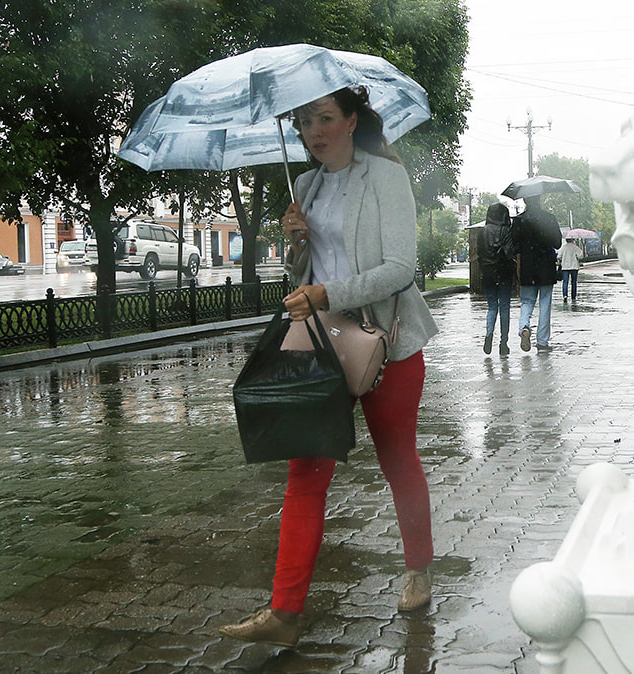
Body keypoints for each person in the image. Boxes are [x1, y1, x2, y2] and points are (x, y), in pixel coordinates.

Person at [220, 86, 439, 647]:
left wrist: (326, 290)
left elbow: (399, 269)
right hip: (324, 343)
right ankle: (283, 612)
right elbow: (302, 275)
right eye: (304, 121)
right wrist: (295, 245)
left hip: (389, 342)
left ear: (350, 120)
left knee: (397, 459)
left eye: (324, 118)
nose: (313, 131)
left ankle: (418, 567)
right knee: (305, 472)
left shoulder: (386, 178)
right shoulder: (305, 185)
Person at [513, 194, 562, 352]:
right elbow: (557, 243)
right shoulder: (549, 218)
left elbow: (514, 246)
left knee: (527, 301)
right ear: (540, 199)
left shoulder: (519, 220)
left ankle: (524, 328)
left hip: (527, 268)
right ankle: (542, 342)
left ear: (524, 201)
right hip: (546, 268)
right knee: (545, 303)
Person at [478, 203, 517, 355]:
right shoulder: (507, 231)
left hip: (488, 273)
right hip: (504, 272)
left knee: (492, 306)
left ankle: (489, 334)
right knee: (505, 307)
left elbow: (480, 254)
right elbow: (509, 253)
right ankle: (503, 343)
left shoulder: (482, 232)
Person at [558, 238, 583, 303]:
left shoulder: (563, 248)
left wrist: (563, 259)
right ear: (573, 240)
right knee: (574, 282)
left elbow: (558, 256)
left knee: (565, 282)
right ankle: (573, 296)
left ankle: (565, 295)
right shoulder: (576, 248)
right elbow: (580, 256)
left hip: (565, 267)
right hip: (574, 267)